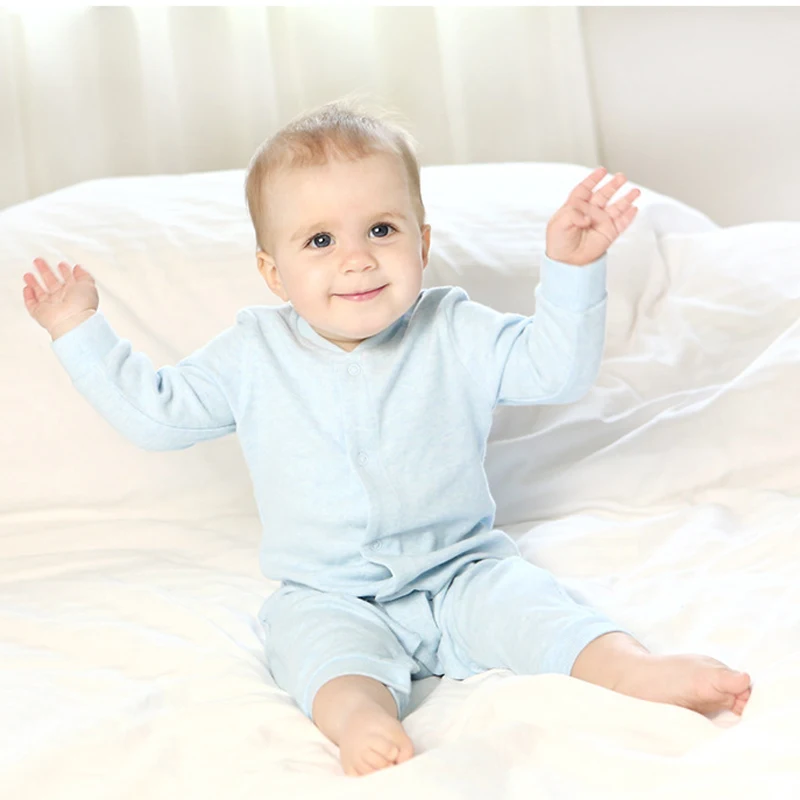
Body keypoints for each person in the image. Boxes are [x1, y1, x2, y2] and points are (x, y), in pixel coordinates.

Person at [22, 99, 752, 778]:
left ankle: (631, 670)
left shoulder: (453, 328)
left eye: (381, 229)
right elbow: (157, 415)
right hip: (328, 590)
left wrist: (573, 267)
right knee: (319, 655)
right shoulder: (253, 353)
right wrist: (78, 331)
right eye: (319, 240)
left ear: (422, 242)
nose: (357, 258)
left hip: (460, 569)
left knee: (541, 611)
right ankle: (360, 717)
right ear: (273, 273)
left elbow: (555, 372)